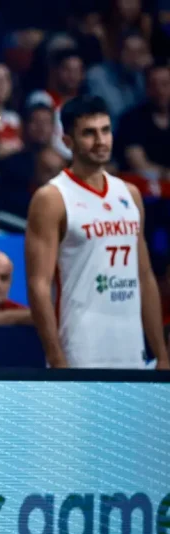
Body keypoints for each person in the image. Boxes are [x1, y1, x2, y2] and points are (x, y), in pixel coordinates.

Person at [26, 95, 170, 369]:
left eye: (105, 130)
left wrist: (162, 355)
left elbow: (144, 276)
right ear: (67, 141)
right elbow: (38, 285)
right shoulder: (52, 198)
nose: (101, 141)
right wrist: (56, 358)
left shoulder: (130, 194)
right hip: (79, 349)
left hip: (131, 348)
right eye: (89, 133)